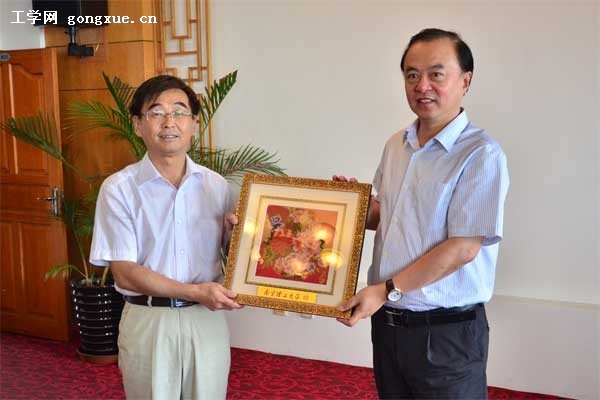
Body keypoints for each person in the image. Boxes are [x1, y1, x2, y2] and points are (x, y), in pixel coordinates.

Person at [334, 28, 509, 399]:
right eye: (412, 75)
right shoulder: (396, 145)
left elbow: (463, 248)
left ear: (465, 81)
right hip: (388, 326)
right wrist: (347, 207)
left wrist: (386, 290)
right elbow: (389, 218)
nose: (422, 85)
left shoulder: (481, 154)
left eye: (436, 74)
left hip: (446, 333)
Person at [89, 75, 242, 400]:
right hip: (149, 321)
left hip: (206, 321)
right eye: (156, 112)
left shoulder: (216, 186)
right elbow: (124, 272)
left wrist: (237, 238)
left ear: (194, 123)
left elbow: (233, 257)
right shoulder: (119, 189)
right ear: (138, 124)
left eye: (180, 111)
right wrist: (194, 291)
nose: (169, 122)